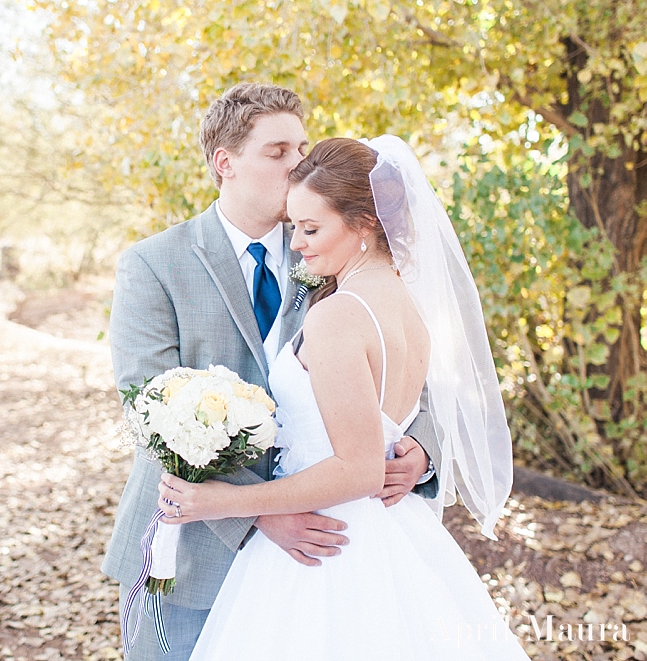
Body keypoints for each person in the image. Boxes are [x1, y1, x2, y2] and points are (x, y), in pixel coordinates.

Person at [103, 84, 441, 660]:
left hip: (327, 549)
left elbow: (404, 367)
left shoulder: (333, 250)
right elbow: (149, 412)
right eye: (279, 151)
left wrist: (420, 446)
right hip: (195, 553)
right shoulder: (154, 265)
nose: (298, 165)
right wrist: (264, 514)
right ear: (225, 163)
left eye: (303, 149)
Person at [156, 136, 528, 659]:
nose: (298, 244)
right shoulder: (408, 302)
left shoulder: (335, 317)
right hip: (393, 530)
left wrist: (227, 502)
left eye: (311, 228)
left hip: (325, 543)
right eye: (295, 226)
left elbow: (358, 470)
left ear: (364, 224)